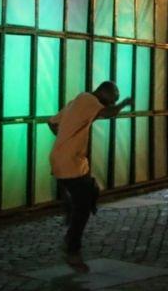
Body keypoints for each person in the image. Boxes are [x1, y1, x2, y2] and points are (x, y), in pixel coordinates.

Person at [47, 80, 132, 271]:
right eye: (113, 98)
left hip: (65, 160)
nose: (111, 103)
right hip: (70, 163)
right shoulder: (89, 100)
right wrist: (124, 103)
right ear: (106, 92)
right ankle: (72, 248)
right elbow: (108, 113)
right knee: (83, 207)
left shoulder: (76, 102)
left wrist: (65, 138)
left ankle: (69, 205)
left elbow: (51, 123)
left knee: (90, 189)